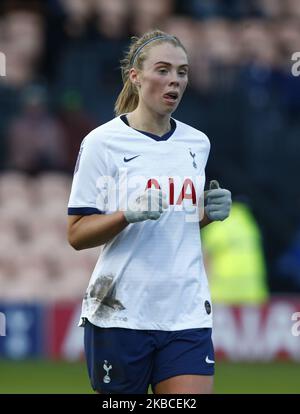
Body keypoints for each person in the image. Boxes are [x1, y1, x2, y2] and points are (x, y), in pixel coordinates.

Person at [67, 29, 232, 394]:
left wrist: (206, 214)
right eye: (163, 70)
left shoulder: (197, 143)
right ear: (136, 76)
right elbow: (76, 234)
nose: (174, 80)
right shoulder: (102, 143)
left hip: (185, 310)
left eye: (182, 72)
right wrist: (127, 214)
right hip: (120, 312)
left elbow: (177, 225)